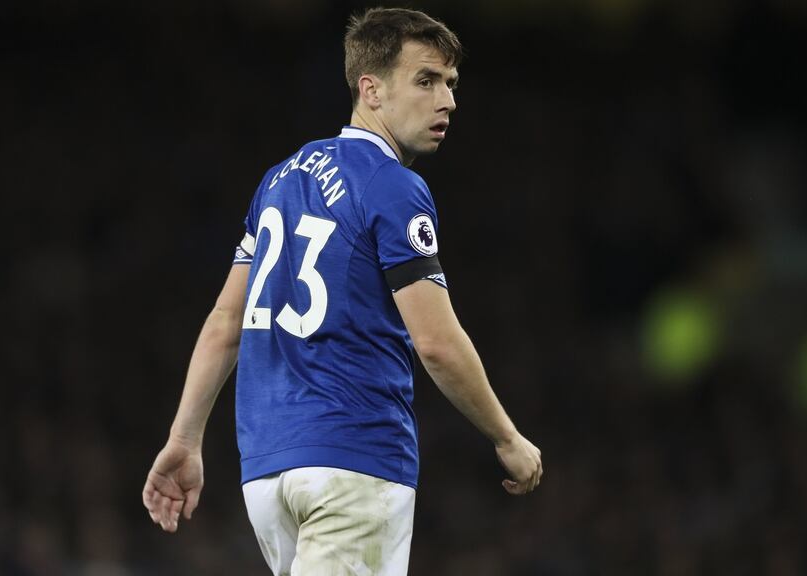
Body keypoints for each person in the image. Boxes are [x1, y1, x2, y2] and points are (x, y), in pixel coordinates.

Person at [142, 7, 543, 575]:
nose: (447, 100)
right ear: (370, 90)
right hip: (354, 461)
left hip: (266, 472)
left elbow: (223, 323)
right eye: (425, 81)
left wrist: (184, 438)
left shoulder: (280, 180)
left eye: (451, 84)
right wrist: (507, 437)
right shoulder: (393, 187)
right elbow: (435, 342)